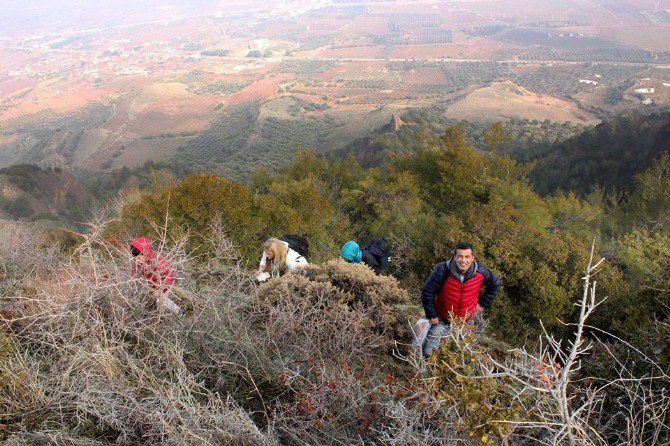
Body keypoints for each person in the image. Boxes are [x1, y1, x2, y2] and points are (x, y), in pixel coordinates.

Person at [420, 242, 501, 358]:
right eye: (460, 256)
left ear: (473, 258)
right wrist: (432, 315)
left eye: (467, 256)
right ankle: (427, 372)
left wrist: (482, 304)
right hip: (443, 317)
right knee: (429, 352)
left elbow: (495, 284)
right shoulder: (443, 270)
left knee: (460, 355)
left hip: (466, 321)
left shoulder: (480, 272)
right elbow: (427, 291)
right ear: (454, 257)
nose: (463, 260)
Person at [130, 237, 182, 316]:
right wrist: (133, 278)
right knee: (157, 302)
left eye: (139, 257)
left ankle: (179, 312)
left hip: (165, 282)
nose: (137, 260)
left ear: (145, 252)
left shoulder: (159, 261)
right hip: (154, 283)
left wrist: (161, 290)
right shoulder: (140, 260)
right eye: (135, 258)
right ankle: (163, 315)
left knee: (161, 301)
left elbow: (169, 276)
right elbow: (135, 271)